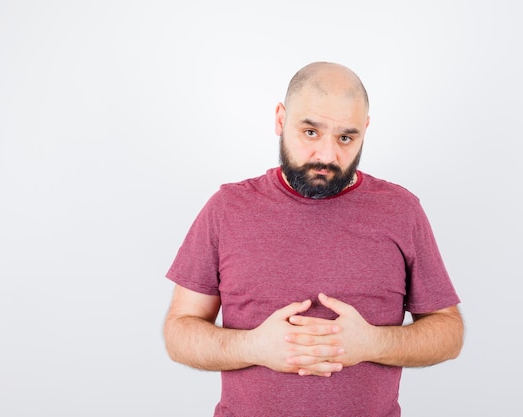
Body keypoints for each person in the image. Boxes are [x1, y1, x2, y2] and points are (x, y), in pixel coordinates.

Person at [163, 61, 464, 417]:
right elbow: (179, 332)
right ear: (280, 119)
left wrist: (372, 343)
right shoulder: (227, 208)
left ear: (365, 131)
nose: (327, 155)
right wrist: (254, 347)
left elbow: (449, 331)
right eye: (310, 132)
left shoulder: (402, 211)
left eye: (346, 138)